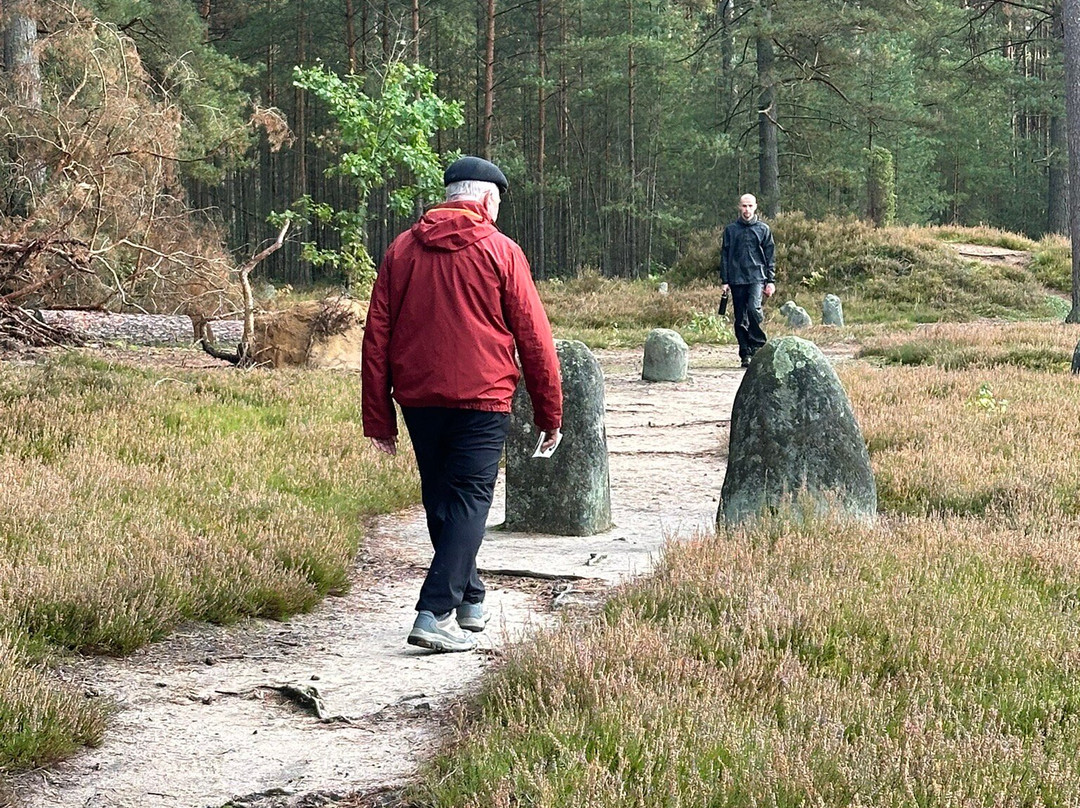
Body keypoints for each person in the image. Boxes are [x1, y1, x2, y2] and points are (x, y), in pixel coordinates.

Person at [361, 156, 563, 653]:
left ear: (449, 195)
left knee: (442, 500)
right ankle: (434, 611)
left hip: (419, 399)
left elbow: (376, 336)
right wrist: (550, 412)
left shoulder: (401, 250)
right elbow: (535, 337)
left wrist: (379, 417)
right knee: (471, 499)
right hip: (483, 398)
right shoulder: (502, 251)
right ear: (488, 200)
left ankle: (470, 598)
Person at [719, 193, 776, 367]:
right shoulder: (730, 230)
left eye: (750, 206)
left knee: (753, 309)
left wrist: (771, 281)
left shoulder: (763, 229)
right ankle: (745, 352)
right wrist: (725, 280)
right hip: (736, 278)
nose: (747, 210)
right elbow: (725, 256)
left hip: (757, 277)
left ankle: (758, 346)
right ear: (739, 207)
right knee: (740, 318)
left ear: (756, 206)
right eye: (744, 206)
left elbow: (770, 256)